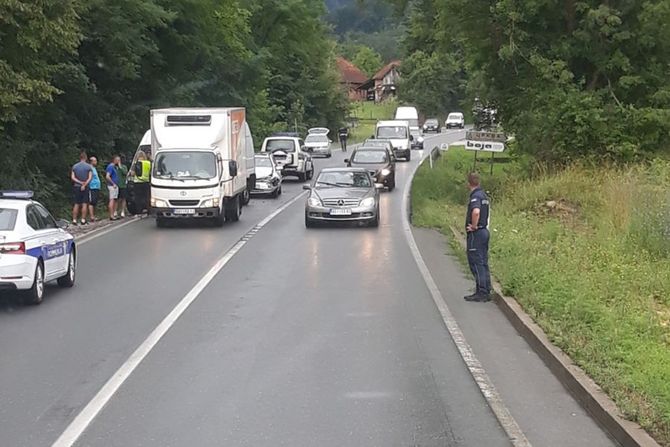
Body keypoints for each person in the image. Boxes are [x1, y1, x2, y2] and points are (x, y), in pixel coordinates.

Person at [464, 172, 492, 302]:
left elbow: (476, 212)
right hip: (484, 232)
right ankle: (486, 288)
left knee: (476, 262)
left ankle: (481, 292)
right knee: (483, 262)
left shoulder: (475, 196)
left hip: (477, 234)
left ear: (468, 183)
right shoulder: (484, 195)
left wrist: (474, 226)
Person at [71, 152, 92, 225]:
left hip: (77, 186)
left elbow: (73, 177)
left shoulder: (75, 166)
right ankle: (83, 219)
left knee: (76, 203)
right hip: (85, 187)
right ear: (85, 158)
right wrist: (84, 184)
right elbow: (90, 177)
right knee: (84, 203)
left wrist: (80, 182)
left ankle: (74, 220)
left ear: (80, 158)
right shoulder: (88, 167)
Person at [106, 155, 121, 220]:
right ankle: (111, 215)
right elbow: (107, 176)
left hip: (115, 186)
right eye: (118, 160)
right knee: (112, 199)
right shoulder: (111, 166)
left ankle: (114, 214)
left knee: (115, 199)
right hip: (112, 186)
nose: (119, 161)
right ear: (115, 160)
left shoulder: (115, 167)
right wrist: (113, 183)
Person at [88, 156, 101, 223]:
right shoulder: (90, 168)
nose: (96, 162)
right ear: (91, 161)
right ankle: (91, 216)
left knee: (95, 202)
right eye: (95, 161)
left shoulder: (94, 168)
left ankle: (94, 215)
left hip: (96, 187)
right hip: (92, 186)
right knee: (91, 202)